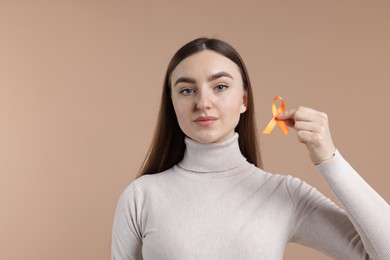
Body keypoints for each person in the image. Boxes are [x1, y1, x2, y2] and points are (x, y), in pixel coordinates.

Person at [111, 38, 390, 260]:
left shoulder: (283, 195)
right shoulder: (141, 197)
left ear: (244, 99)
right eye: (187, 90)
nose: (203, 102)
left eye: (220, 86)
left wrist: (329, 159)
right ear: (172, 103)